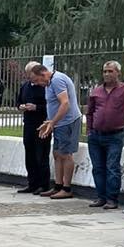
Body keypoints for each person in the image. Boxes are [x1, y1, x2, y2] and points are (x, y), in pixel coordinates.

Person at [31, 63, 81, 199]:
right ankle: (58, 186)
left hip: (67, 122)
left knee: (65, 154)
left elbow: (65, 103)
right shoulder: (49, 83)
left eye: (37, 80)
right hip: (58, 123)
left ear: (43, 74)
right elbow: (53, 105)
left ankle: (66, 188)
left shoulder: (57, 80)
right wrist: (49, 122)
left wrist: (53, 122)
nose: (37, 84)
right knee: (57, 154)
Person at [85, 62, 124, 210]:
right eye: (105, 71)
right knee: (98, 167)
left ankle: (112, 199)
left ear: (118, 73)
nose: (106, 74)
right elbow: (90, 112)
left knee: (112, 167)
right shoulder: (96, 91)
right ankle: (101, 197)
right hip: (95, 135)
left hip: (114, 135)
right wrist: (89, 130)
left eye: (110, 71)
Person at [15, 63, 51, 195]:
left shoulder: (45, 86)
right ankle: (32, 183)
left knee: (41, 155)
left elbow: (50, 105)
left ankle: (43, 184)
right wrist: (21, 106)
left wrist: (36, 107)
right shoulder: (25, 86)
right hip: (28, 124)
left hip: (42, 123)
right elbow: (18, 101)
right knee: (29, 155)